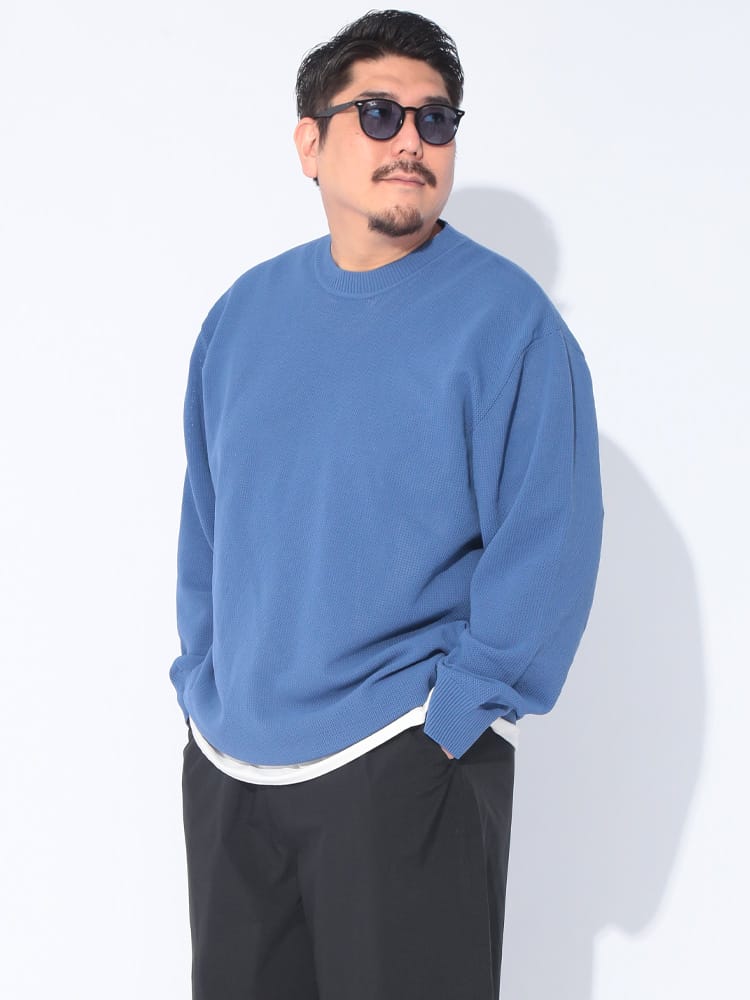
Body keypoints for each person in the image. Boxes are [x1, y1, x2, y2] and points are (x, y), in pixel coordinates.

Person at [171, 9, 603, 999]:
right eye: (378, 113)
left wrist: (454, 716)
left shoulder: (508, 323)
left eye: (434, 119)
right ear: (310, 143)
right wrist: (202, 687)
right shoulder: (242, 316)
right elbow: (207, 523)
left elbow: (552, 541)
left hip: (401, 756)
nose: (410, 139)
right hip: (233, 765)